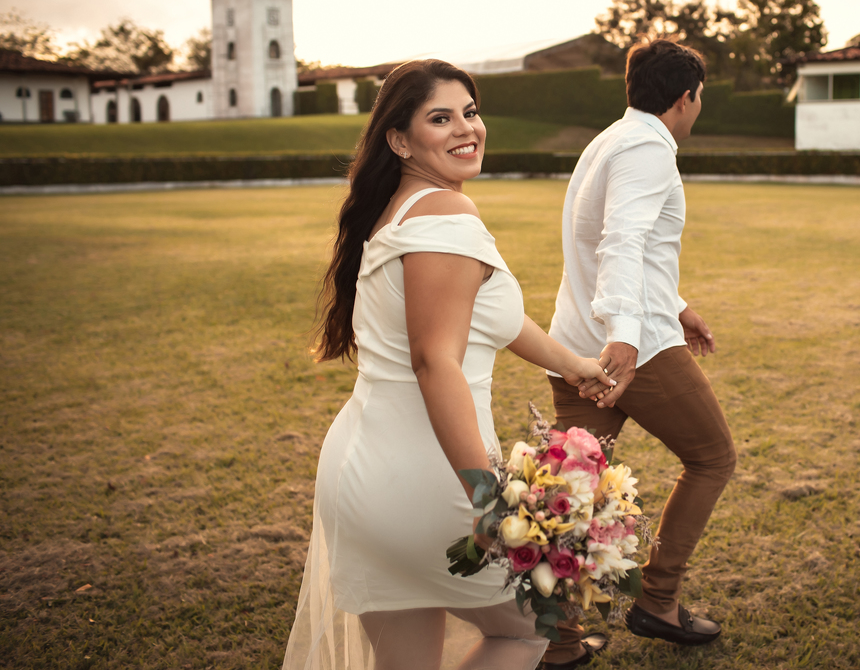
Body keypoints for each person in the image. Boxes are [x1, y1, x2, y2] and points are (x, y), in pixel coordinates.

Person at [282, 59, 616, 670]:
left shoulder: (402, 207)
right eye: (441, 117)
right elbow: (436, 360)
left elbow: (495, 319)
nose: (467, 127)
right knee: (527, 629)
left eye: (470, 111)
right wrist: (488, 497)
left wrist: (573, 364)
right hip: (424, 476)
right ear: (400, 140)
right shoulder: (448, 214)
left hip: (365, 467)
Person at [539, 39, 738, 669]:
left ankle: (562, 643)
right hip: (632, 348)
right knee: (712, 457)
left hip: (571, 343)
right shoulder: (650, 149)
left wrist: (677, 304)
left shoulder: (608, 140)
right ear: (687, 97)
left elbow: (620, 244)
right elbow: (622, 240)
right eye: (699, 97)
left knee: (574, 494)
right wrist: (627, 331)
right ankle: (658, 600)